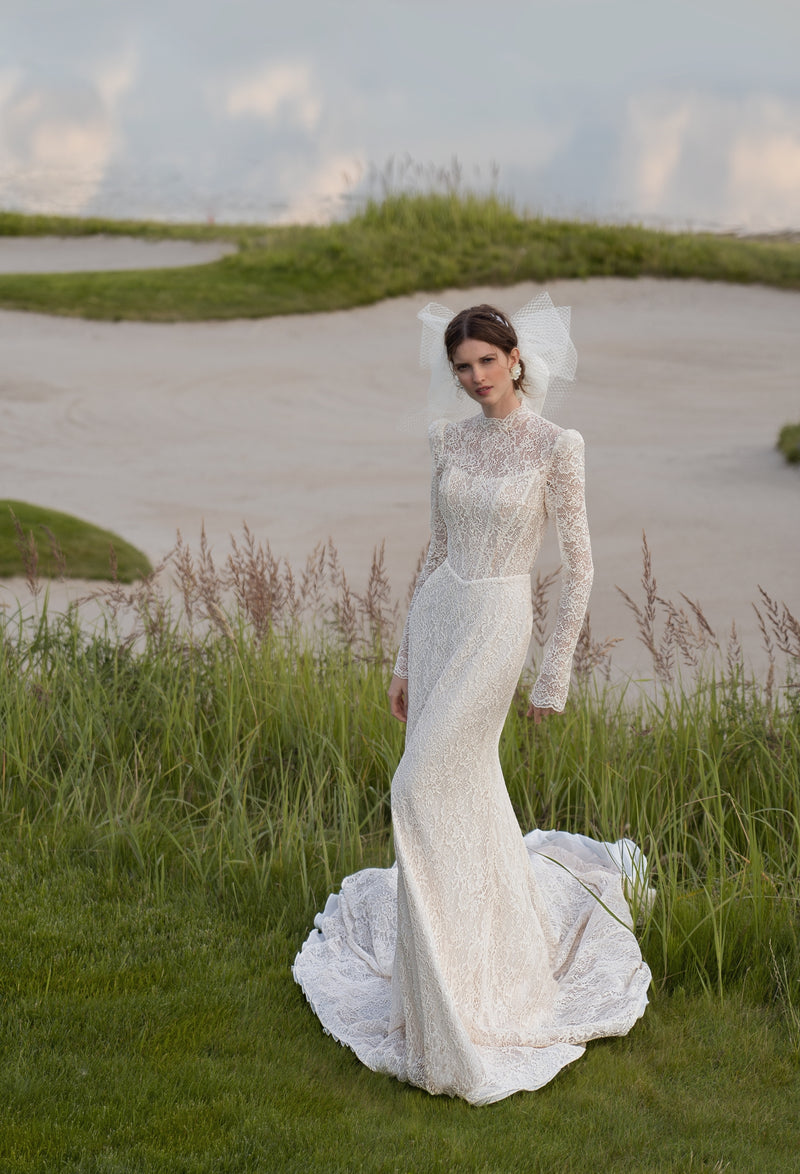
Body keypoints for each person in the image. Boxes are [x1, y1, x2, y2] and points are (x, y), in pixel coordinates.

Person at [293, 296, 651, 1105]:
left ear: (515, 357)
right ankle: (457, 972)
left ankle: (480, 997)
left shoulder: (559, 445)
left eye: (487, 361)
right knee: (463, 794)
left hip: (498, 623)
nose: (475, 378)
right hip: (442, 614)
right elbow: (436, 549)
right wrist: (403, 658)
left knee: (417, 789)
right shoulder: (446, 440)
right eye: (462, 366)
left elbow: (582, 566)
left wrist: (552, 673)